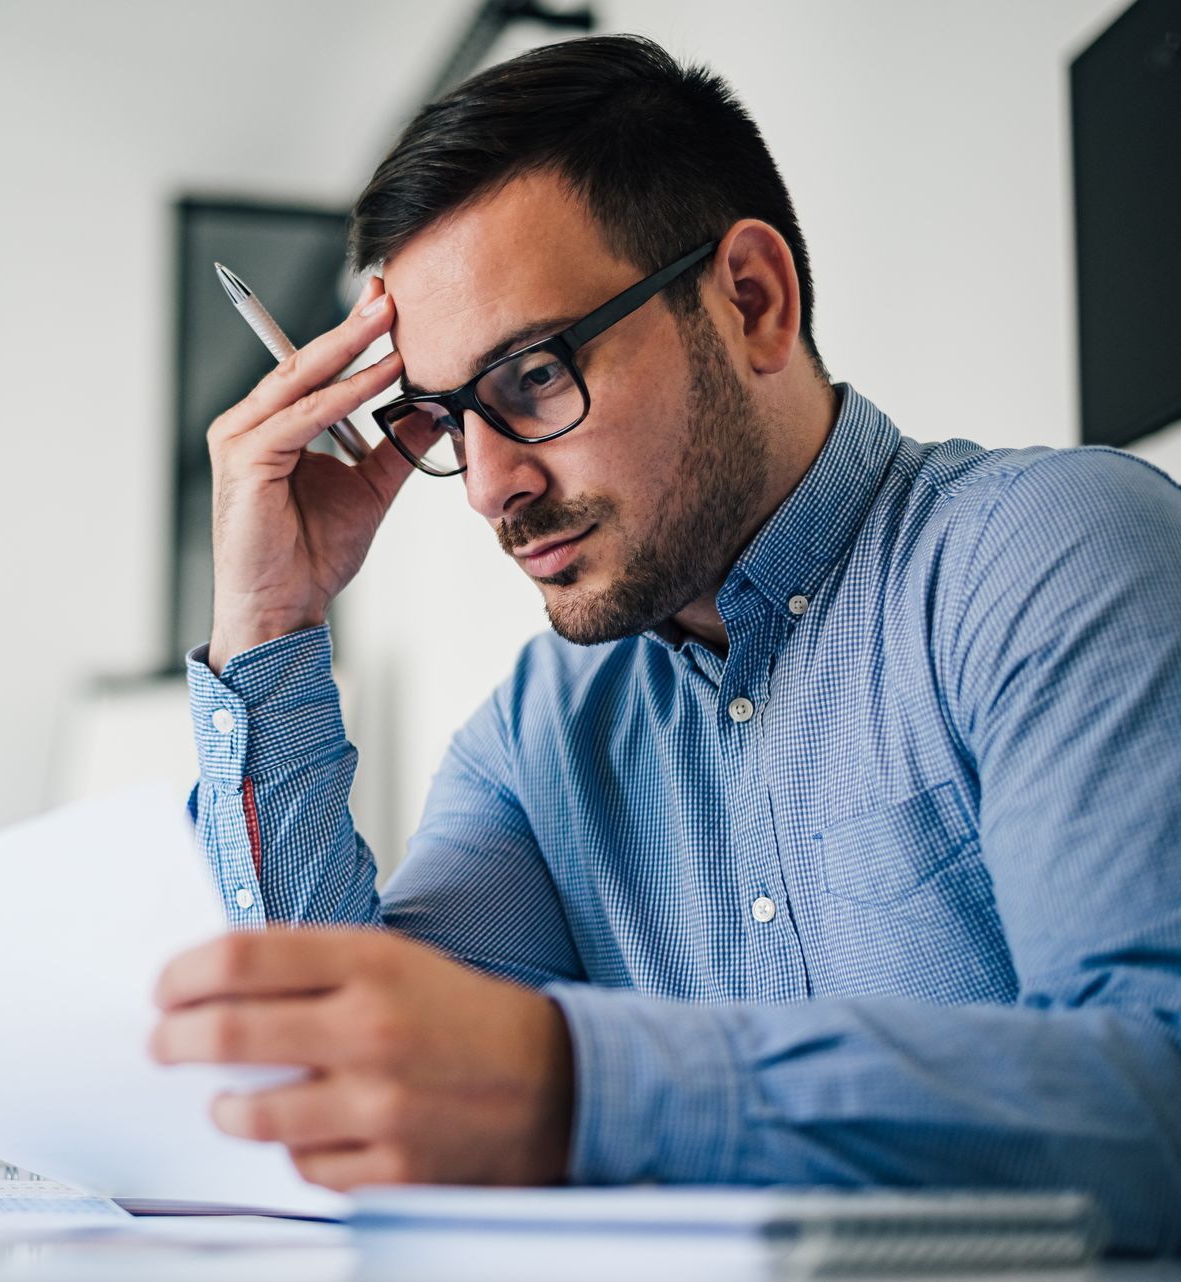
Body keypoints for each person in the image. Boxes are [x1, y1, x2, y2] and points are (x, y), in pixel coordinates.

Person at [146, 34, 1181, 1253]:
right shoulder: (538, 735)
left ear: (751, 300)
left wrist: (589, 1085)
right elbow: (337, 1103)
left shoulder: (1051, 554)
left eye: (532, 377)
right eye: (443, 420)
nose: (487, 488)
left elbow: (1157, 1090)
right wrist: (272, 625)